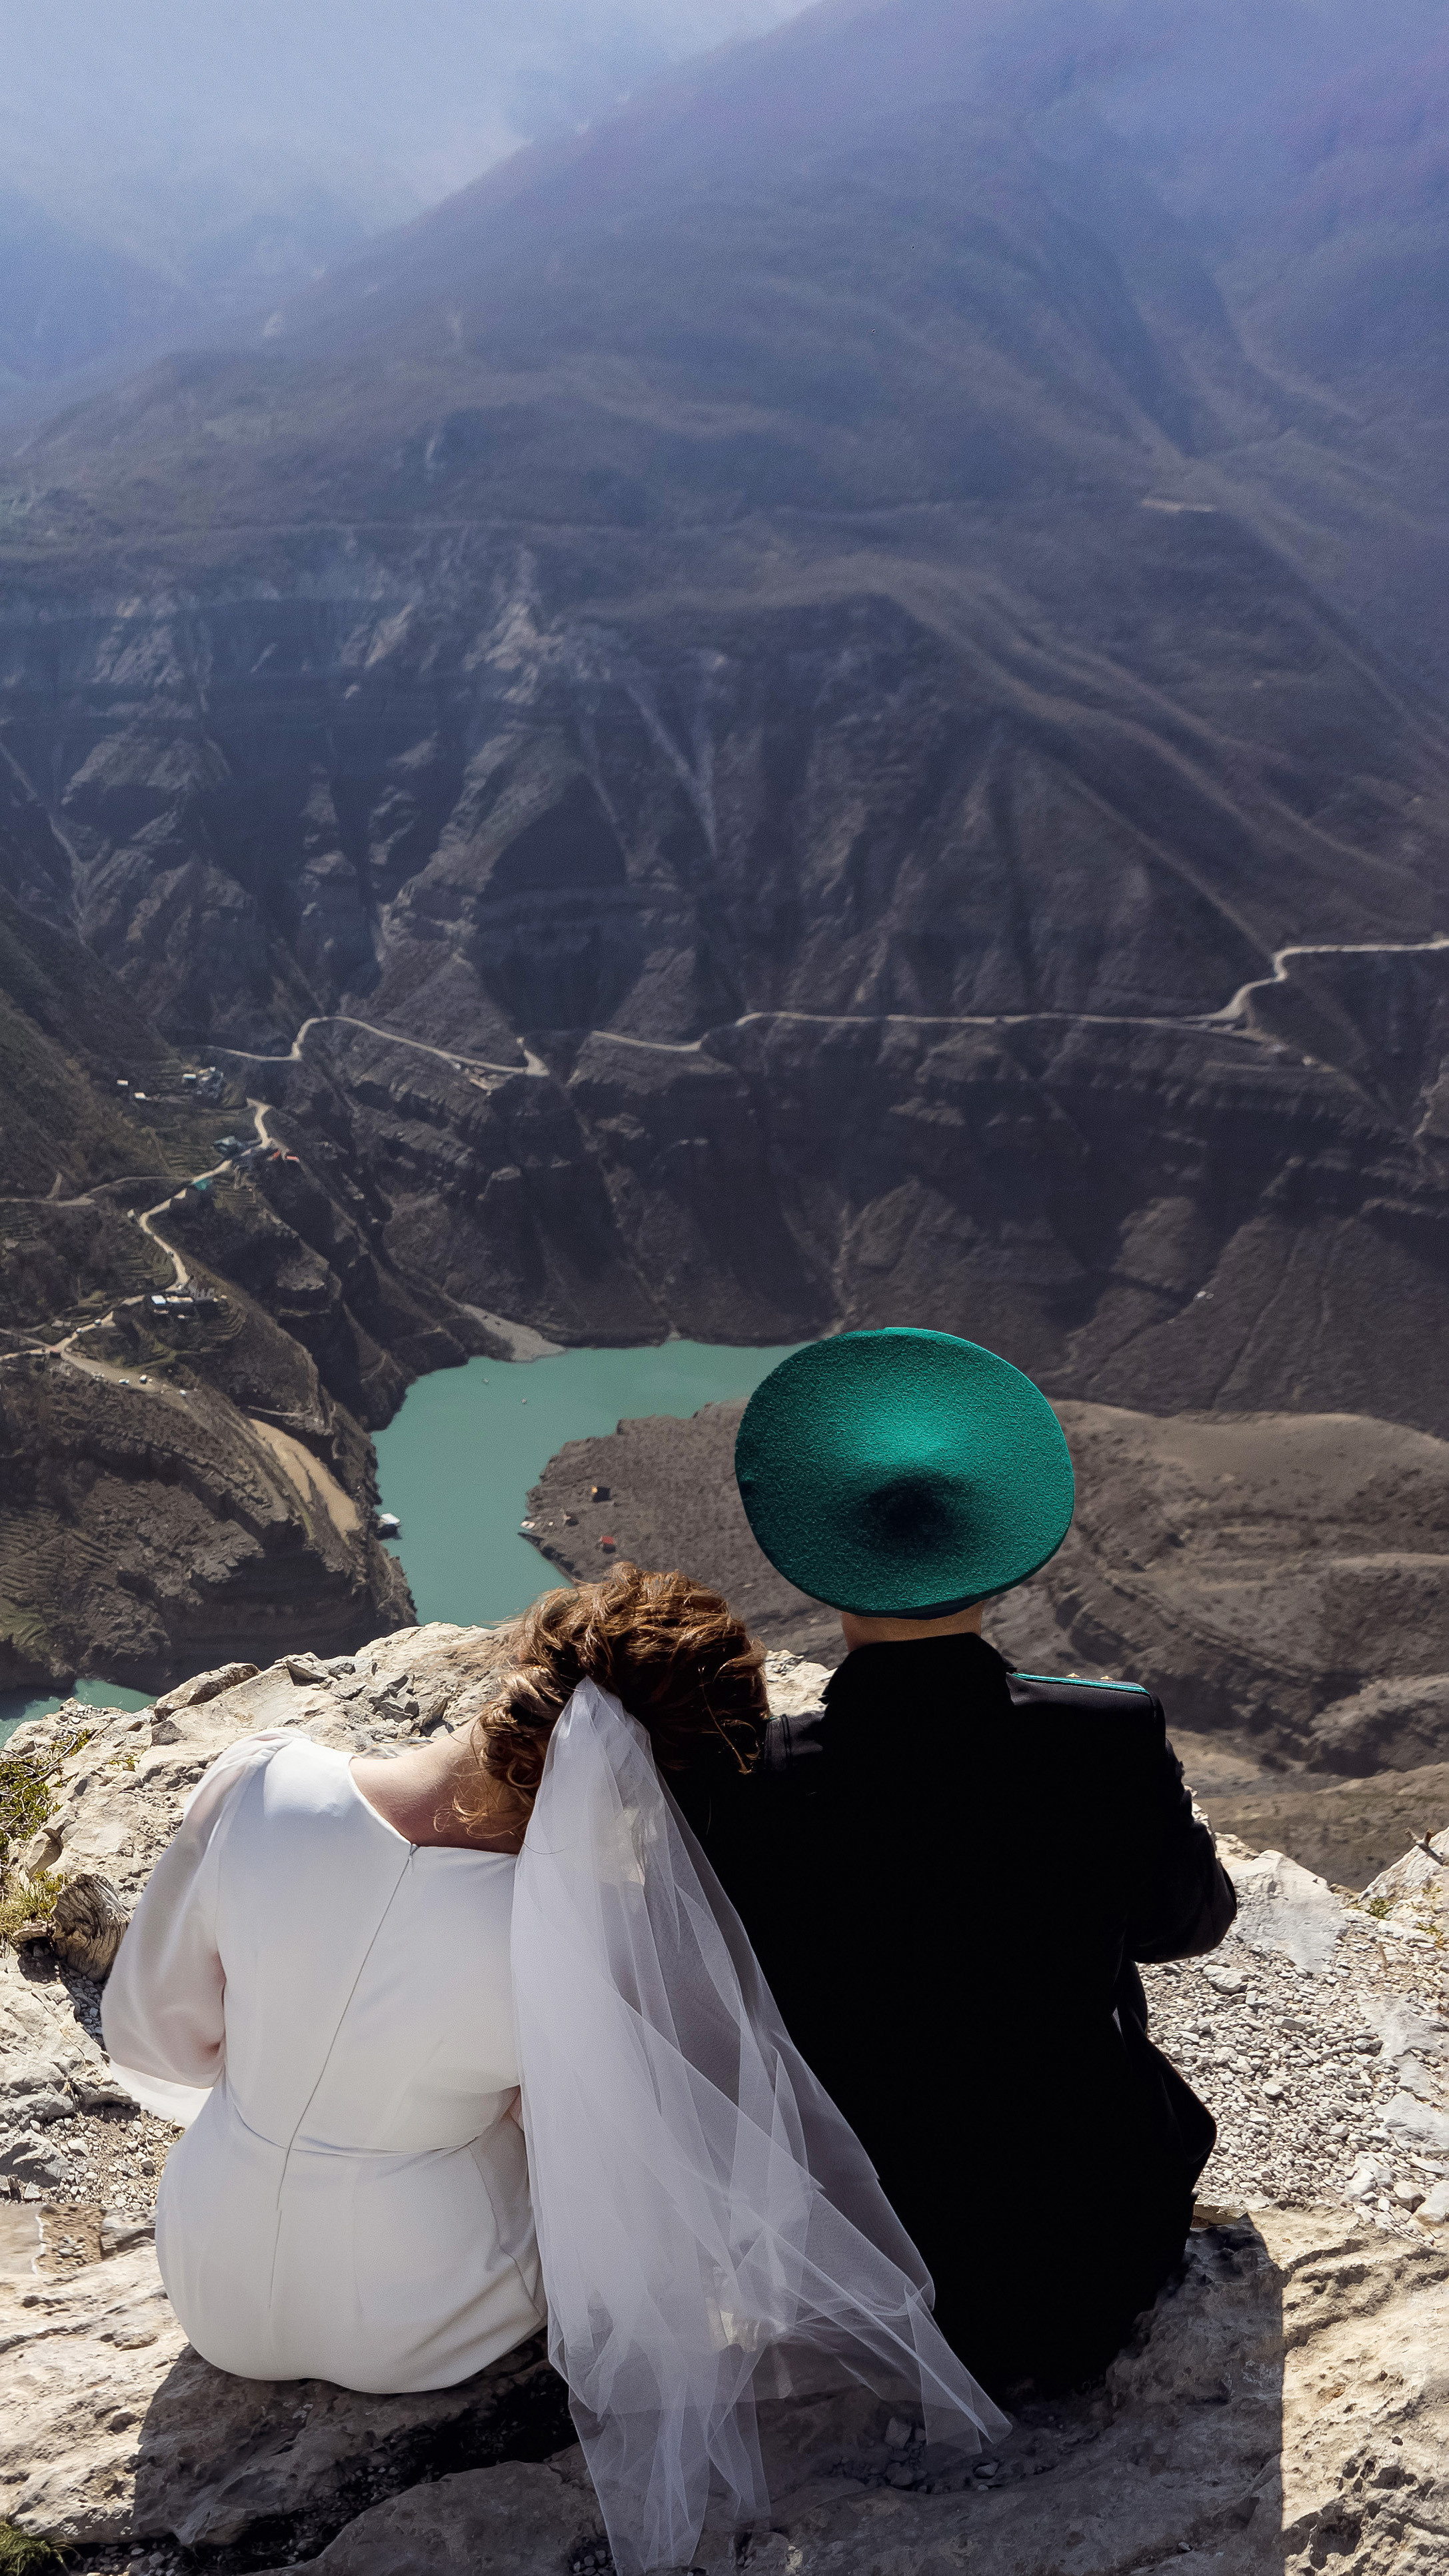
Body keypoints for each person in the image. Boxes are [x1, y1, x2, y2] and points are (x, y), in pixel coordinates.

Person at [103, 1564, 1006, 2576]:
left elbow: (150, 2034)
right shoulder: (583, 1936)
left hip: (210, 2275)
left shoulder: (263, 1780)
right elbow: (612, 2184)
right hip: (419, 2317)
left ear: (521, 1661)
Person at [702, 1325, 1236, 2398]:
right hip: (1099, 2239)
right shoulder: (1106, 1733)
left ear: (818, 1560)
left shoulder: (752, 1776)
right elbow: (1192, 1920)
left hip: (864, 2254)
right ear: (1000, 1549)